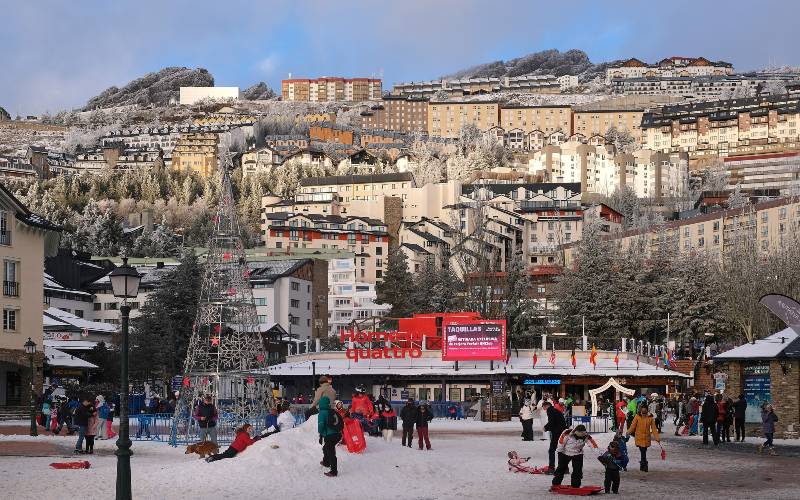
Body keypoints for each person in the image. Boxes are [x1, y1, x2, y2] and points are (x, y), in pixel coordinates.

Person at [627, 405, 660, 472]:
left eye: (645, 411)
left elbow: (654, 429)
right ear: (640, 410)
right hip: (639, 438)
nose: (643, 413)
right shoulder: (637, 416)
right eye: (642, 411)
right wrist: (628, 432)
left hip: (646, 438)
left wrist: (657, 437)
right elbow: (633, 426)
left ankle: (643, 465)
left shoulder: (650, 418)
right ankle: (644, 465)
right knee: (643, 451)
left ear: (647, 410)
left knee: (643, 451)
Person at [317, 396, 342, 477]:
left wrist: (320, 434)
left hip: (330, 435)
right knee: (326, 447)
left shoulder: (322, 413)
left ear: (321, 404)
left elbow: (321, 426)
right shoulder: (332, 411)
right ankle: (326, 462)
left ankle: (334, 471)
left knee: (330, 451)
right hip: (337, 434)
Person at [543, 400, 567, 474]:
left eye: (544, 407)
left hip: (557, 432)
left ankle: (551, 468)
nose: (544, 409)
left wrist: (545, 427)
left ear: (546, 406)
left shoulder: (550, 410)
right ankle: (565, 468)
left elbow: (552, 422)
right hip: (563, 432)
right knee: (562, 450)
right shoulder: (555, 410)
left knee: (552, 450)